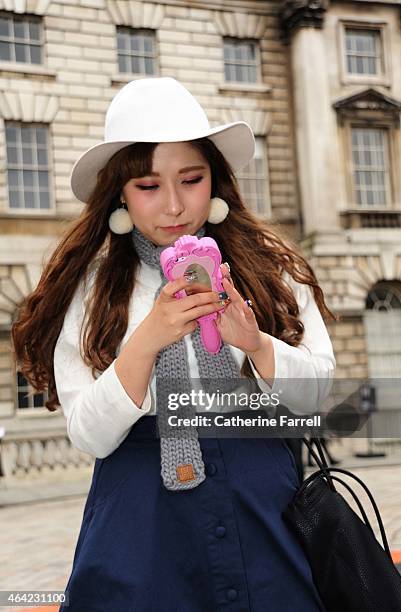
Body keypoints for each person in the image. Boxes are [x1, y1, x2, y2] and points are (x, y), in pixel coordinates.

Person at [11, 77, 337, 611]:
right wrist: (147, 341)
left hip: (264, 500)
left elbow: (317, 399)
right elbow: (89, 435)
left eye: (191, 179)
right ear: (119, 192)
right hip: (139, 515)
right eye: (148, 186)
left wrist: (256, 345)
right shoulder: (90, 290)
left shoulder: (270, 270)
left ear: (216, 180)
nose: (174, 205)